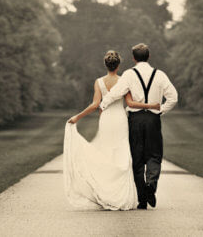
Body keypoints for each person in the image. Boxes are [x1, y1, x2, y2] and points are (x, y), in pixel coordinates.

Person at [63, 50, 160, 210]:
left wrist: (77, 117)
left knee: (107, 153)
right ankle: (121, 195)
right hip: (120, 119)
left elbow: (95, 105)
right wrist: (150, 105)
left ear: (105, 64)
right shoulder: (125, 80)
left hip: (106, 120)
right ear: (118, 64)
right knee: (122, 154)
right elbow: (130, 103)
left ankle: (107, 194)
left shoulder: (99, 82)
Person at [100, 43, 178, 209]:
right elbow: (173, 97)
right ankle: (151, 185)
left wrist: (103, 104)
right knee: (154, 155)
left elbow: (115, 93)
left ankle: (142, 198)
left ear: (134, 58)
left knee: (137, 159)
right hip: (153, 120)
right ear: (148, 56)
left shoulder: (129, 74)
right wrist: (161, 110)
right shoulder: (160, 75)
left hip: (135, 120)